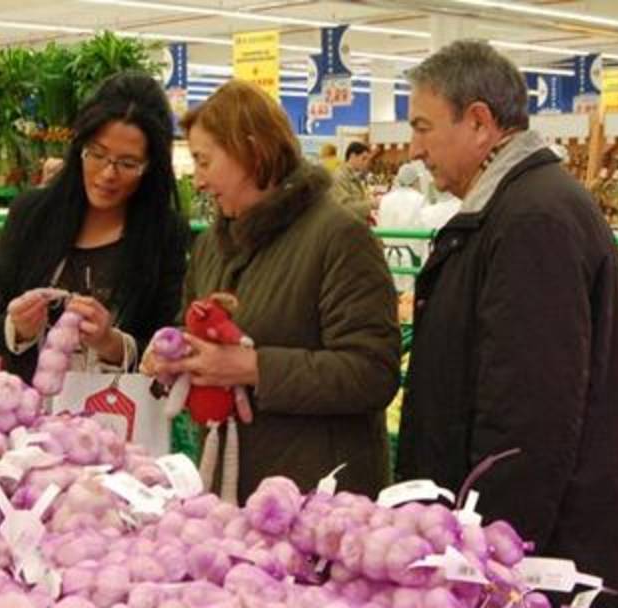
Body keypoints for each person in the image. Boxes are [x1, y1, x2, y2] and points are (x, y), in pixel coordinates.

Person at [395, 40, 618, 608]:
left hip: (544, 564)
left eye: (424, 127)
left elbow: (529, 413)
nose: (415, 149)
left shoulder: (533, 221)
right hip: (538, 552)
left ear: (478, 122)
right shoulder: (516, 208)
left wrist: (492, 563)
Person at [151, 80, 400, 501]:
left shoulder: (339, 237)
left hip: (320, 500)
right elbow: (192, 325)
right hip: (234, 488)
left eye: (204, 160)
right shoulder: (214, 243)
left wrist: (253, 368)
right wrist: (175, 356)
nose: (199, 178)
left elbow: (372, 372)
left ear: (251, 150)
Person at [0, 71, 188, 384]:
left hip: (118, 423)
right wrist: (17, 328)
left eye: (128, 164)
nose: (107, 174)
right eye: (97, 154)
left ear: (151, 167)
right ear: (79, 148)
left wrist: (112, 344)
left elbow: (167, 349)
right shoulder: (32, 215)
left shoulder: (165, 235)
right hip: (27, 419)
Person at [331, 141, 373, 222]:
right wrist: (371, 204)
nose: (366, 163)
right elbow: (345, 208)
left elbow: (357, 200)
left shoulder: (353, 176)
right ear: (352, 156)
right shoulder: (340, 177)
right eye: (363, 158)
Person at [377, 162, 425, 230]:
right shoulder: (420, 199)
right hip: (412, 239)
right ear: (415, 181)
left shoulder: (385, 199)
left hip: (387, 239)